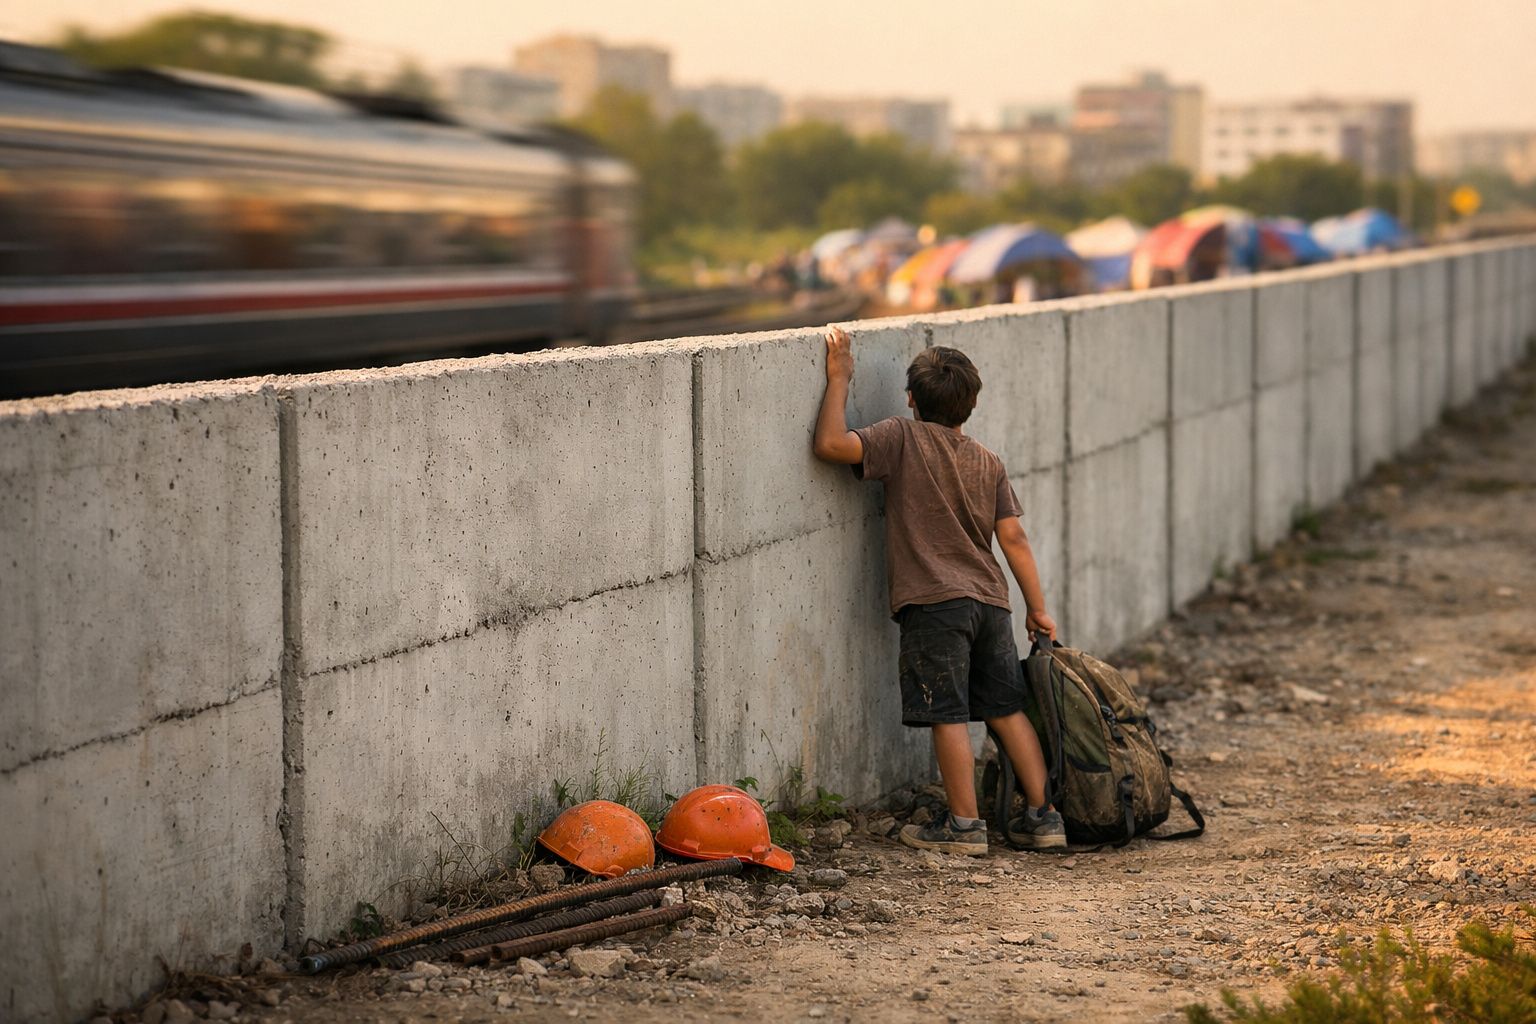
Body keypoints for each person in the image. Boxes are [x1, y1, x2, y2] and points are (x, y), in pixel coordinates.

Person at [810, 326, 1066, 856]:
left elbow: (831, 445)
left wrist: (839, 378)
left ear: (910, 399)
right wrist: (1037, 609)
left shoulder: (900, 437)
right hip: (991, 601)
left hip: (934, 602)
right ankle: (1044, 818)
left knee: (946, 712)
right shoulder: (987, 459)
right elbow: (1012, 536)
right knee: (1005, 707)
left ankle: (964, 826)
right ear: (971, 405)